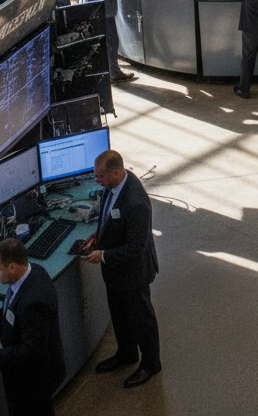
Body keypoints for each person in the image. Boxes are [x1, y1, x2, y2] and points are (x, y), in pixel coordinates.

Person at [83, 150, 161, 389]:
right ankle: (127, 353)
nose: (97, 181)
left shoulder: (136, 202)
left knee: (141, 319)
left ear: (116, 173)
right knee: (119, 314)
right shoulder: (112, 186)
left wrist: (104, 255)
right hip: (116, 271)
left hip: (133, 273)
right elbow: (109, 217)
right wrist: (99, 236)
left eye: (100, 177)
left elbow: (137, 246)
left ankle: (151, 363)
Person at [0, 238, 66, 415]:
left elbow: (32, 351)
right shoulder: (33, 271)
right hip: (26, 377)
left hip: (33, 382)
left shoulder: (34, 301)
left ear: (12, 267)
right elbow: (17, 306)